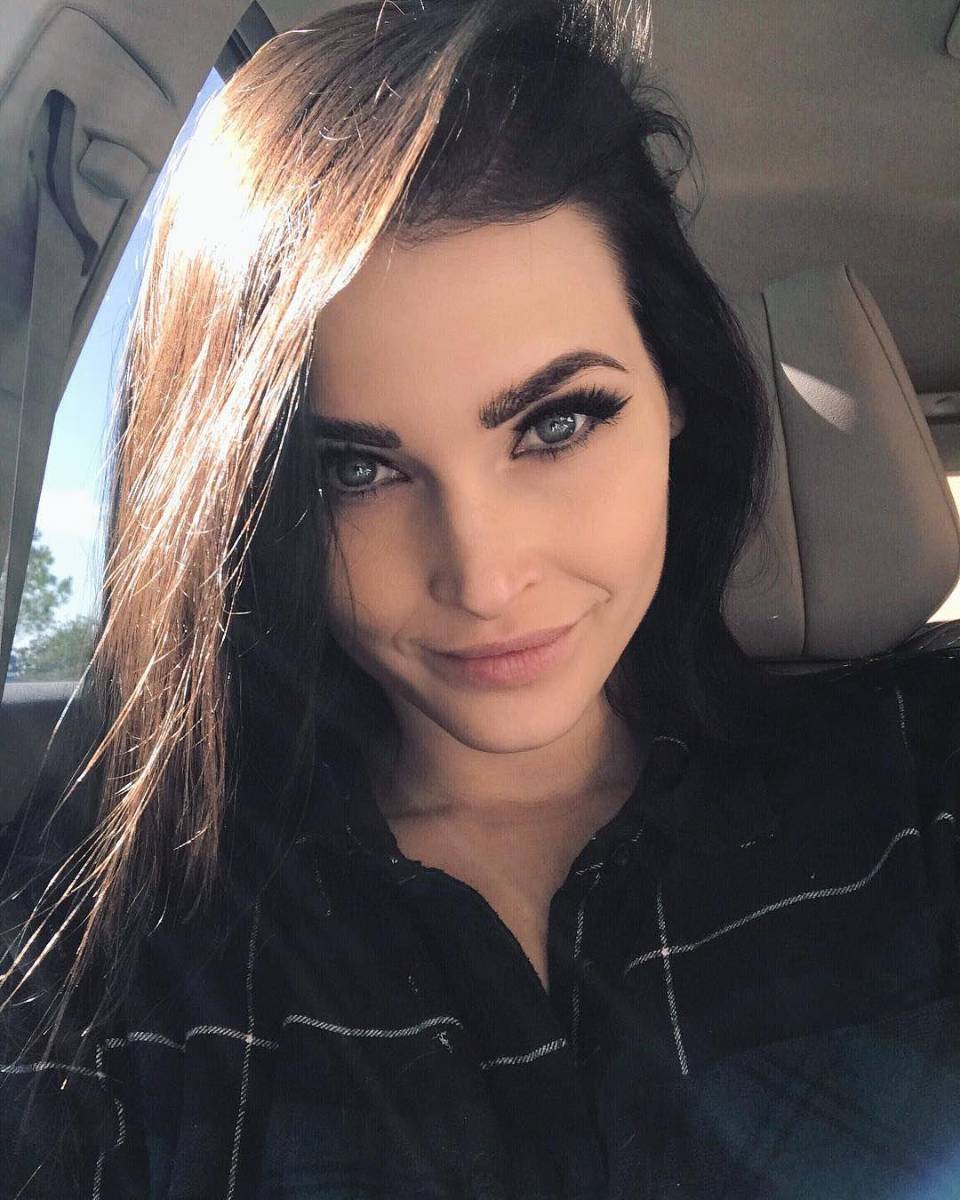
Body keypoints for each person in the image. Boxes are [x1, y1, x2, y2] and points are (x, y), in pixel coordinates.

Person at [2, 1, 959, 1196]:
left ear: (673, 390)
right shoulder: (114, 954)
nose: (485, 577)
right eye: (354, 470)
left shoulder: (923, 786)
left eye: (557, 424)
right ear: (256, 505)